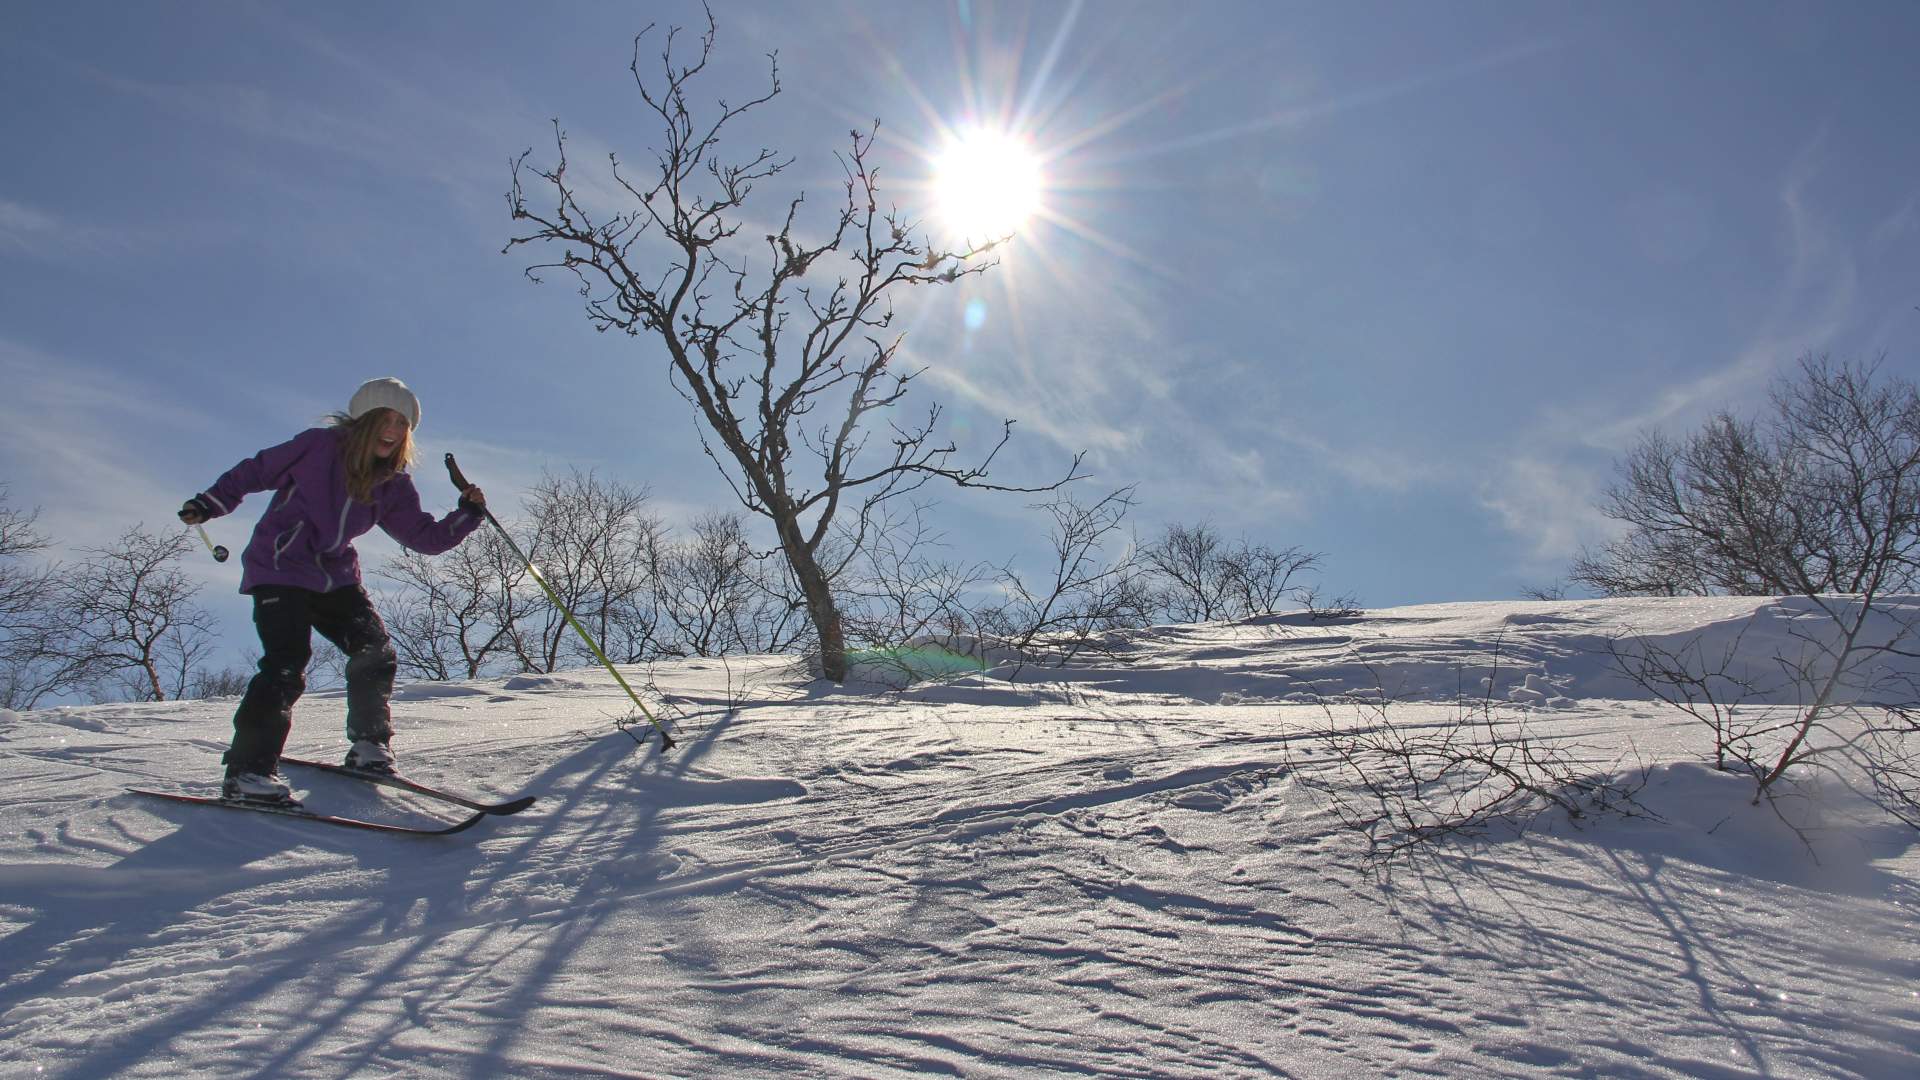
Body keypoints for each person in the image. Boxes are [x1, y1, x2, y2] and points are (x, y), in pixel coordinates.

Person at [178, 377, 486, 804]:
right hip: (281, 566)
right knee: (286, 663)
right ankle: (248, 771)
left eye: (403, 424)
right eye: (386, 419)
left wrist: (467, 515)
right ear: (363, 420)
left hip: (334, 576)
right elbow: (256, 470)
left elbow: (424, 538)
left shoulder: (393, 484)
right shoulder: (318, 447)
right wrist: (210, 503)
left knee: (374, 649)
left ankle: (369, 747)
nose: (394, 430)